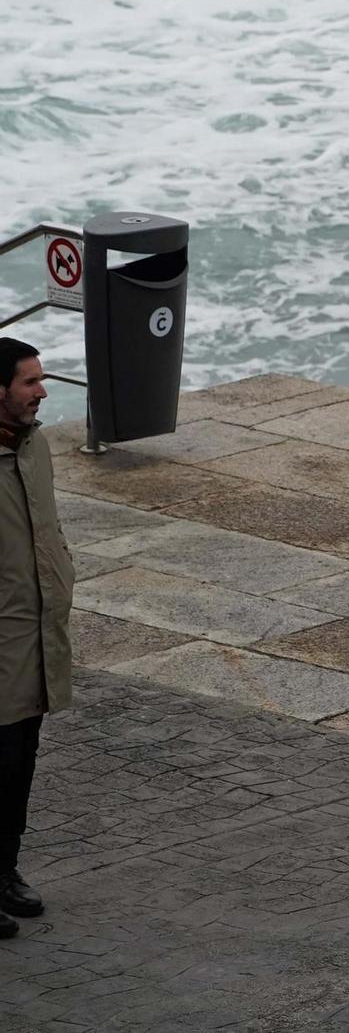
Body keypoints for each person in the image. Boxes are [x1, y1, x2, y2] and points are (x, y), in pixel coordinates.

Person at [0, 338, 72, 940]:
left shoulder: (35, 446)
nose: (41, 391)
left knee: (20, 766)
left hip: (35, 638)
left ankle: (4, 872)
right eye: (29, 382)